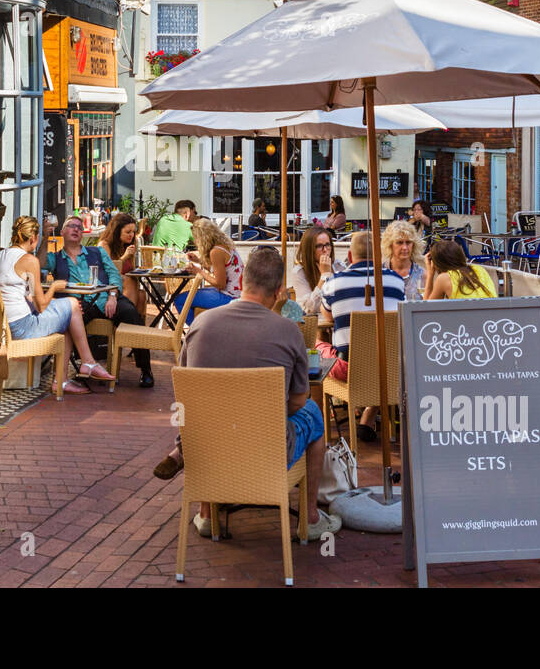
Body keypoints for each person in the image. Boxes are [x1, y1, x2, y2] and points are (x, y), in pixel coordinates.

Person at [152, 248, 343, 542]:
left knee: (196, 412)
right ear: (279, 291)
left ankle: (205, 512)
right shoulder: (287, 332)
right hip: (268, 451)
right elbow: (296, 403)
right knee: (314, 412)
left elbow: (185, 394)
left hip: (209, 448)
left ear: (241, 283)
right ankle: (311, 517)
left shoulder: (201, 325)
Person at [0, 216, 115, 396]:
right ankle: (84, 365)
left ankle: (67, 378)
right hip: (21, 328)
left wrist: (57, 303)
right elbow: (40, 306)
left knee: (68, 314)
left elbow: (24, 297)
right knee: (72, 305)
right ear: (33, 238)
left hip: (0, 326)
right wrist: (55, 286)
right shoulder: (28, 260)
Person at [38, 214, 153, 389]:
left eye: (79, 227)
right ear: (61, 232)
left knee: (132, 315)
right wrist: (45, 238)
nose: (76, 228)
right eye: (71, 226)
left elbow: (114, 274)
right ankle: (82, 366)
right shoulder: (56, 258)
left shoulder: (97, 252)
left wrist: (113, 296)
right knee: (69, 321)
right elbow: (40, 265)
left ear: (82, 234)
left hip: (106, 298)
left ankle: (146, 369)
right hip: (79, 304)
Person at [320, 230, 405, 440]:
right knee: (379, 351)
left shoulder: (333, 283)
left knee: (317, 342)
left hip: (348, 369)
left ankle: (322, 422)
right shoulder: (396, 281)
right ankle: (368, 415)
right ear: (379, 255)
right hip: (390, 368)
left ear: (349, 257)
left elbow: (327, 317)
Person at [183, 218, 244, 322]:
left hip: (229, 297)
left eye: (196, 239)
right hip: (237, 294)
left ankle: (196, 333)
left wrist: (199, 271)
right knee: (191, 296)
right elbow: (220, 271)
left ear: (202, 238)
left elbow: (220, 284)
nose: (195, 242)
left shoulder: (215, 252)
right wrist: (199, 261)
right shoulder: (225, 245)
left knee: (181, 300)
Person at [100, 211, 146, 316]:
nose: (132, 235)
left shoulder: (126, 245)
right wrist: (124, 257)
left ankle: (135, 328)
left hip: (124, 288)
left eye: (133, 232)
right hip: (108, 287)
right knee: (129, 280)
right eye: (128, 232)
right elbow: (108, 271)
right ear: (117, 231)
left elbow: (129, 270)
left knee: (142, 295)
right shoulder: (104, 245)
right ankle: (128, 320)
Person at [423, 239, 497, 300]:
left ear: (437, 263)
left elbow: (426, 310)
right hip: (493, 316)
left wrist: (430, 274)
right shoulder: (479, 269)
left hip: (468, 317)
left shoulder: (444, 278)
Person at [289, 225, 334, 314]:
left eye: (327, 245)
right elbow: (309, 309)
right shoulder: (299, 272)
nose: (325, 250)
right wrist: (324, 276)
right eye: (319, 246)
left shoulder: (338, 265)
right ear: (309, 249)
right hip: (315, 325)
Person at [382, 219, 425, 301]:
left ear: (414, 245)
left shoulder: (423, 275)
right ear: (390, 245)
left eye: (408, 242)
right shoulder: (379, 274)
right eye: (399, 242)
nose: (405, 247)